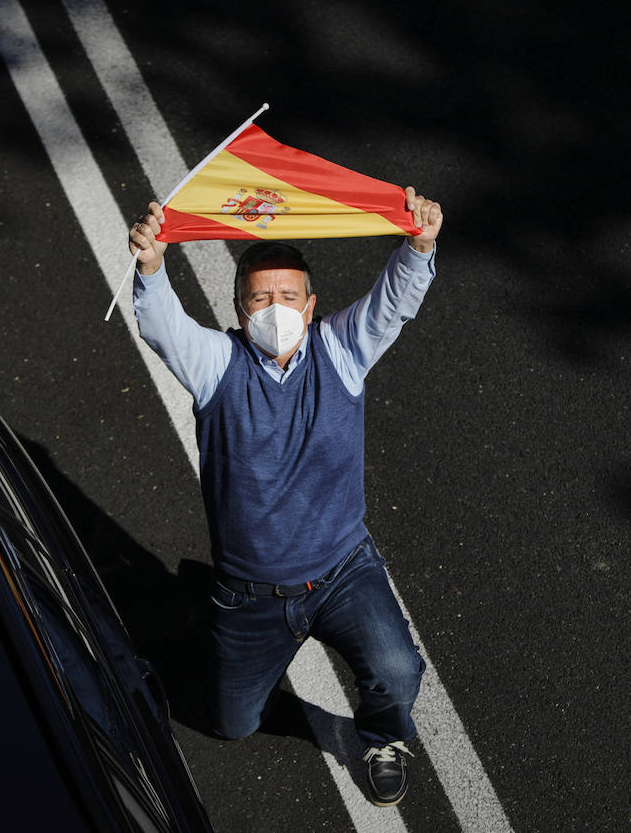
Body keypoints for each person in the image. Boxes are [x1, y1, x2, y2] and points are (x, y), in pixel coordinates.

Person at [128, 185, 443, 808]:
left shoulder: (342, 350)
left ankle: (383, 737)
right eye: (261, 298)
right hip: (251, 593)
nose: (277, 308)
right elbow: (165, 329)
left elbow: (390, 305)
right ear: (240, 308)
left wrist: (419, 246)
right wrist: (151, 268)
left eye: (289, 296)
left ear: (311, 303)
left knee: (398, 669)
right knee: (231, 724)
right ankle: (205, 609)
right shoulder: (218, 363)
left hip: (342, 569)